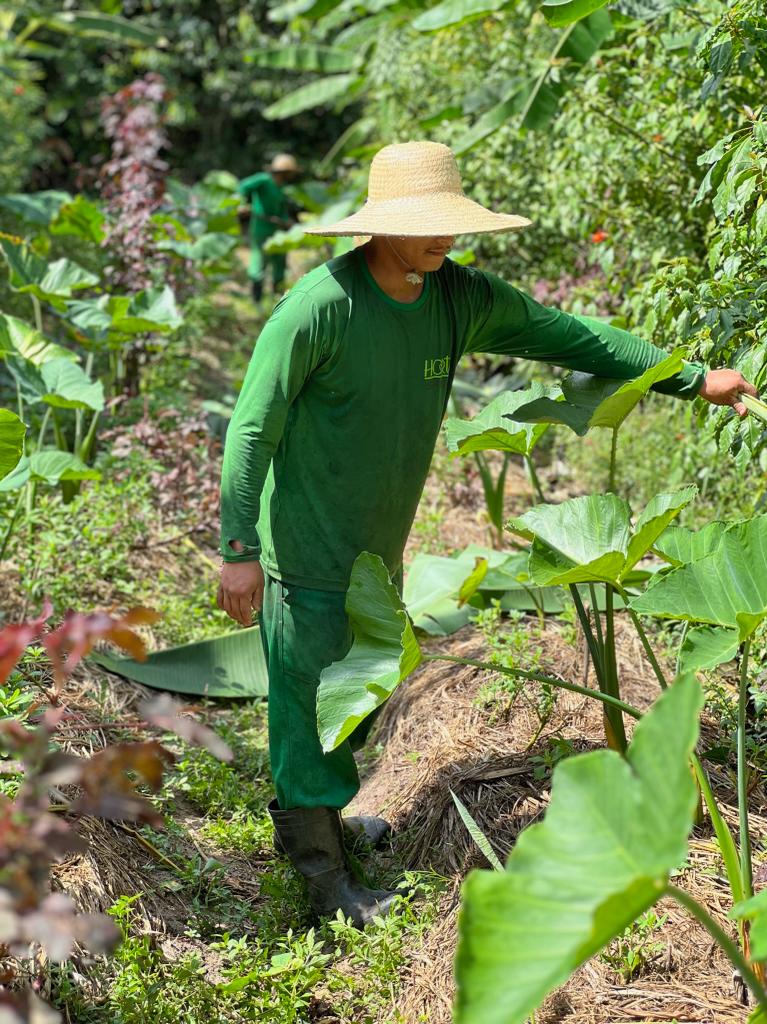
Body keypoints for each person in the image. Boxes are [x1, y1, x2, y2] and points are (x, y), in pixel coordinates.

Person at [217, 141, 756, 927]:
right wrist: (238, 552)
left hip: (376, 546)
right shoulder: (317, 309)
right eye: (426, 225)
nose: (446, 239)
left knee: (351, 695)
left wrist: (688, 377)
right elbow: (249, 430)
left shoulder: (455, 296)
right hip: (304, 547)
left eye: (450, 223)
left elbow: (564, 332)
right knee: (306, 710)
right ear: (379, 228)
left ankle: (330, 827)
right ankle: (321, 881)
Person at [238, 153, 298, 302]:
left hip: (277, 230)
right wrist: (242, 203)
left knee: (279, 262)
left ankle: (277, 297)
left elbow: (282, 209)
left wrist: (287, 221)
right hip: (261, 227)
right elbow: (243, 186)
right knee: (259, 261)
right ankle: (256, 299)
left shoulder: (283, 187)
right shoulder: (263, 180)